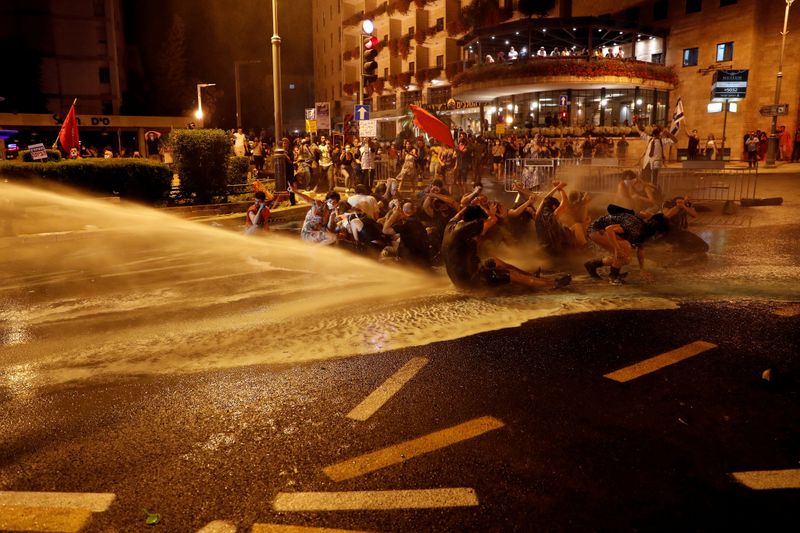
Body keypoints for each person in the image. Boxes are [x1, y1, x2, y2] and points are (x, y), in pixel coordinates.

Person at [441, 204, 571, 290]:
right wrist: (490, 212)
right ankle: (552, 284)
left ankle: (532, 276)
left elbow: (459, 214)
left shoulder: (451, 225)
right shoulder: (469, 227)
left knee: (496, 261)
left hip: (458, 278)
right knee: (512, 275)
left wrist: (473, 204)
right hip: (471, 279)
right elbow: (493, 220)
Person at [584, 208, 671, 283]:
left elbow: (640, 249)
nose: (660, 236)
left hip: (602, 230)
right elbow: (609, 229)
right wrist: (617, 249)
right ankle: (613, 277)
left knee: (626, 259)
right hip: (596, 229)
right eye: (661, 233)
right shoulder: (636, 227)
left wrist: (642, 270)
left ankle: (592, 265)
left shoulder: (644, 230)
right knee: (624, 250)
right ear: (657, 229)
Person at [636, 119, 676, 185]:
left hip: (655, 164)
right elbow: (639, 131)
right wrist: (636, 122)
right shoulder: (649, 139)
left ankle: (654, 192)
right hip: (647, 163)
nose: (656, 136)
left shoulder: (663, 141)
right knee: (644, 179)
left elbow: (675, 140)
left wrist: (667, 132)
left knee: (654, 181)